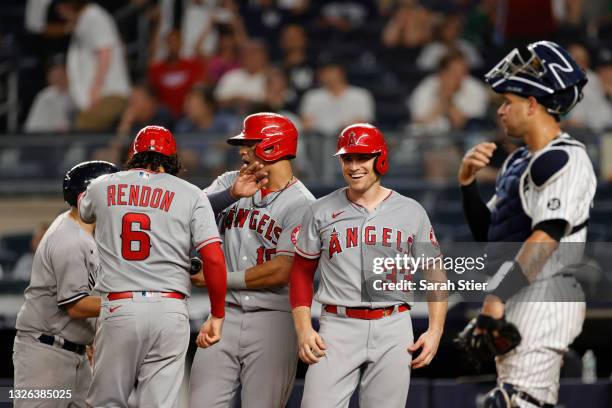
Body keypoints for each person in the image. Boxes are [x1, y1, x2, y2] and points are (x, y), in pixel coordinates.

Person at [457, 40, 595, 407]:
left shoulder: (565, 158)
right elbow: (489, 235)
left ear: (533, 105)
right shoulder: (518, 161)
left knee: (512, 402)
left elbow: (546, 237)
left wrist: (496, 297)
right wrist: (468, 184)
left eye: (508, 102)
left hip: (546, 293)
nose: (501, 111)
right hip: (520, 290)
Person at [290, 123, 448, 407]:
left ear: (380, 158)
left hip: (394, 325)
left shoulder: (411, 211)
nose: (354, 166)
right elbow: (301, 273)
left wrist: (435, 330)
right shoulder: (320, 210)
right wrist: (303, 329)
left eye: (362, 157)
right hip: (337, 327)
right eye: (347, 158)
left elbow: (434, 271)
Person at [80, 126, 227, 407]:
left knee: (106, 402)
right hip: (169, 309)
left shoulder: (102, 185)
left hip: (120, 306)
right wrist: (217, 313)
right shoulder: (191, 193)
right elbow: (213, 257)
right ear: (173, 159)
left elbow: (84, 210)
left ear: (133, 155)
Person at [189, 112, 315, 408]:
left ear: (274, 145)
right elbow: (184, 213)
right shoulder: (229, 181)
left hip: (273, 320)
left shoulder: (303, 204)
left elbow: (283, 270)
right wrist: (231, 195)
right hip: (224, 316)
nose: (242, 151)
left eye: (250, 143)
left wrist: (216, 278)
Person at [13, 160, 119, 408]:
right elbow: (76, 305)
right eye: (111, 194)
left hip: (74, 354)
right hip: (45, 357)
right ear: (86, 198)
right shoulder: (68, 239)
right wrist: (126, 303)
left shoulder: (87, 232)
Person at [54, 0, 130, 132]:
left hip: (108, 92)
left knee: (82, 129)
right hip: (95, 96)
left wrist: (96, 88)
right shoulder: (84, 21)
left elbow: (105, 52)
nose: (60, 14)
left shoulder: (94, 17)